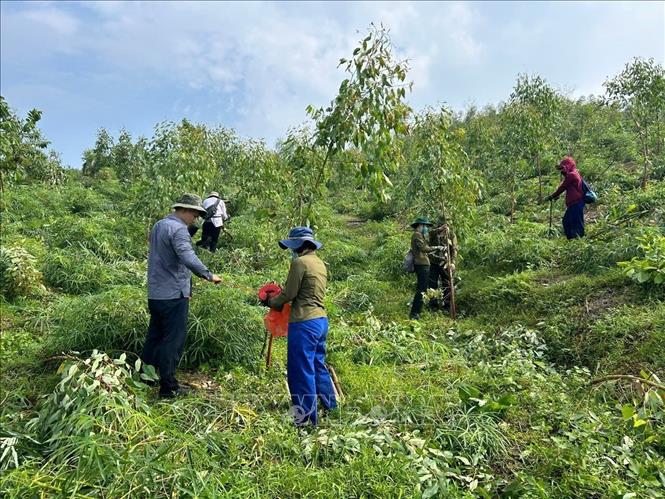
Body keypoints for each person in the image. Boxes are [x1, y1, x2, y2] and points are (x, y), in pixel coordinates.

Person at [142, 193, 222, 398]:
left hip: (156, 293)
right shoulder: (178, 230)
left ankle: (146, 377)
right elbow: (187, 256)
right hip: (173, 294)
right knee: (173, 340)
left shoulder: (160, 225)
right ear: (184, 210)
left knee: (155, 337)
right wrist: (208, 274)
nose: (195, 219)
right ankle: (169, 387)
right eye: (195, 214)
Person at [262, 226, 337, 426]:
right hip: (320, 321)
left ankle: (305, 420)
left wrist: (270, 301)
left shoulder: (299, 262)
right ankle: (331, 406)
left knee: (301, 370)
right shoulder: (319, 263)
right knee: (317, 365)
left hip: (304, 322)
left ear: (299, 245)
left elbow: (289, 294)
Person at [409, 217, 443, 320]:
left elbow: (430, 235)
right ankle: (415, 313)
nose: (427, 228)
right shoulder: (416, 235)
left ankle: (417, 312)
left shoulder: (420, 235)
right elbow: (424, 248)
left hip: (423, 264)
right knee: (421, 289)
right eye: (426, 226)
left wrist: (439, 229)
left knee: (423, 288)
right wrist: (437, 247)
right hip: (421, 265)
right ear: (420, 226)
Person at [544, 156, 585, 239]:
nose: (562, 171)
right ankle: (576, 240)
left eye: (563, 168)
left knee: (568, 221)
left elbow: (563, 187)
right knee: (574, 221)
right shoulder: (574, 173)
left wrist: (552, 196)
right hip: (575, 203)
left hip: (576, 202)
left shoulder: (572, 175)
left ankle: (575, 240)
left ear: (568, 166)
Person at [428, 219, 457, 312]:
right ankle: (433, 305)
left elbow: (454, 250)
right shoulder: (434, 234)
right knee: (432, 284)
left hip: (445, 264)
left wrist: (452, 262)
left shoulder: (451, 235)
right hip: (434, 262)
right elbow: (429, 235)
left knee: (447, 284)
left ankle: (447, 305)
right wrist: (439, 229)